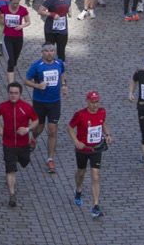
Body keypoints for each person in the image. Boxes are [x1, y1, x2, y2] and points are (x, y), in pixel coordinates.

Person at [0, 82, 38, 208]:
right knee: (10, 169)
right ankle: (12, 195)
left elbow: (36, 120)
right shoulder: (3, 106)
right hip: (8, 144)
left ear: (20, 94)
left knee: (24, 162)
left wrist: (27, 129)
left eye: (15, 93)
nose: (13, 95)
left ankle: (26, 152)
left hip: (23, 143)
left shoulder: (27, 107)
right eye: (11, 93)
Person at [68, 90, 111, 220]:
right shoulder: (80, 115)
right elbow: (70, 127)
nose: (95, 105)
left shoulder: (102, 112)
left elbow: (102, 123)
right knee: (81, 172)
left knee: (95, 176)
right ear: (87, 102)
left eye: (97, 102)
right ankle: (78, 189)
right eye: (93, 102)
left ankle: (96, 206)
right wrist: (76, 141)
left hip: (96, 149)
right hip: (82, 150)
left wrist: (107, 134)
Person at [24, 43, 65, 173]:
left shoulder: (59, 63)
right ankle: (34, 138)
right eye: (46, 51)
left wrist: (63, 85)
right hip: (40, 102)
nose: (49, 53)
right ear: (42, 52)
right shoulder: (37, 66)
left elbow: (62, 74)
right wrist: (37, 86)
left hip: (55, 102)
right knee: (39, 128)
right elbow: (26, 80)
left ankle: (50, 159)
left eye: (51, 51)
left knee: (52, 130)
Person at [0, 0, 30, 83]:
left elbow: (28, 21)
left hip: (18, 37)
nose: (15, 5)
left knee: (15, 58)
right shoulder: (4, 8)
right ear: (10, 1)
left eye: (17, 3)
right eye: (13, 3)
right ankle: (11, 84)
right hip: (7, 37)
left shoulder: (23, 10)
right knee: (11, 60)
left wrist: (22, 25)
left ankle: (11, 72)